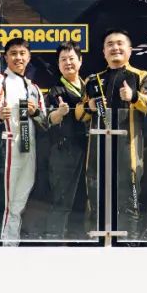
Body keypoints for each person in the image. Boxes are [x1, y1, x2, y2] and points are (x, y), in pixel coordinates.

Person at [79, 29, 147, 239]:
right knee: (96, 198)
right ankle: (97, 245)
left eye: (120, 43)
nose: (115, 47)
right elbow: (78, 114)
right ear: (103, 51)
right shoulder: (93, 80)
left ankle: (129, 245)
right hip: (97, 150)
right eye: (110, 44)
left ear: (130, 50)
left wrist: (134, 96)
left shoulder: (142, 76)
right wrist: (89, 106)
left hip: (127, 150)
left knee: (129, 201)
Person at [0, 37, 47, 245]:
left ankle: (12, 244)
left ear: (29, 57)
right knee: (5, 202)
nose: (18, 58)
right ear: (6, 57)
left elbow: (44, 120)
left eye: (22, 53)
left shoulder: (34, 87)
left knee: (19, 202)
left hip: (29, 148)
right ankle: (0, 246)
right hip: (8, 148)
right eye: (13, 54)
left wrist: (35, 111)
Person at [44, 42, 90, 239]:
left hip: (88, 149)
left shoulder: (90, 87)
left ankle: (77, 241)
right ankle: (53, 240)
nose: (68, 63)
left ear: (80, 61)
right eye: (63, 60)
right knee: (62, 200)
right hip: (64, 151)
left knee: (82, 200)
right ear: (58, 64)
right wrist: (59, 113)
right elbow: (48, 119)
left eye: (72, 58)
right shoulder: (55, 91)